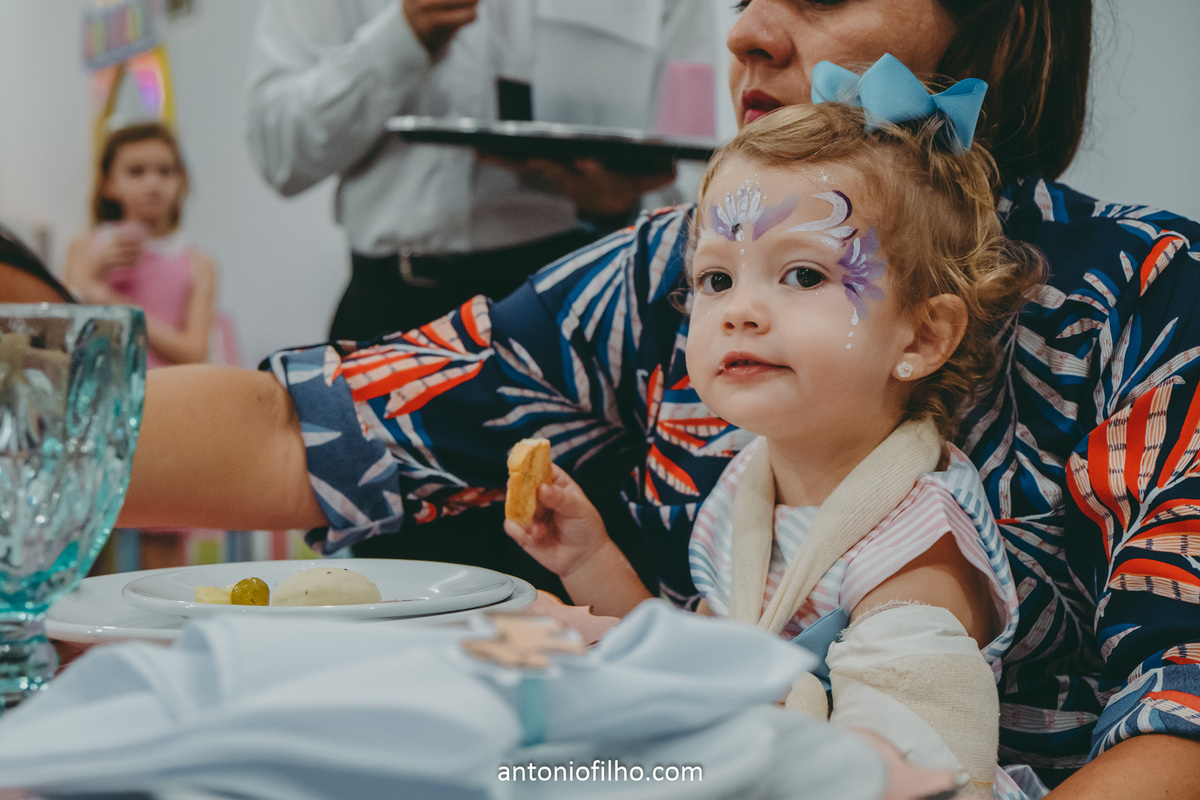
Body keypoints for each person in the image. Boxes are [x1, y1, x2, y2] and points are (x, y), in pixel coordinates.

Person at [120, 1, 1200, 795]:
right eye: (712, 283)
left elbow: (1176, 719)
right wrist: (52, 437)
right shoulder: (669, 275)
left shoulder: (1152, 295)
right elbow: (317, 427)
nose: (746, 32)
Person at [503, 66, 1045, 796]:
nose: (740, 312)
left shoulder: (917, 550)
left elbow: (916, 775)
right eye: (716, 280)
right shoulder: (748, 485)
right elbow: (698, 676)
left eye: (804, 276)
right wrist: (589, 559)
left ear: (922, 336)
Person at [244, 0, 714, 343]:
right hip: (387, 309)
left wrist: (618, 207)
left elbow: (695, 167)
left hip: (569, 299)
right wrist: (400, 38)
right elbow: (279, 153)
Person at [64, 121, 217, 370]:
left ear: (182, 180)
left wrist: (114, 302)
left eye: (165, 171)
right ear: (109, 184)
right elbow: (64, 330)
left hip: (169, 388)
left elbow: (196, 353)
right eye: (136, 172)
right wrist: (94, 270)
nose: (153, 183)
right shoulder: (84, 246)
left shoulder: (200, 264)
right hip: (99, 385)